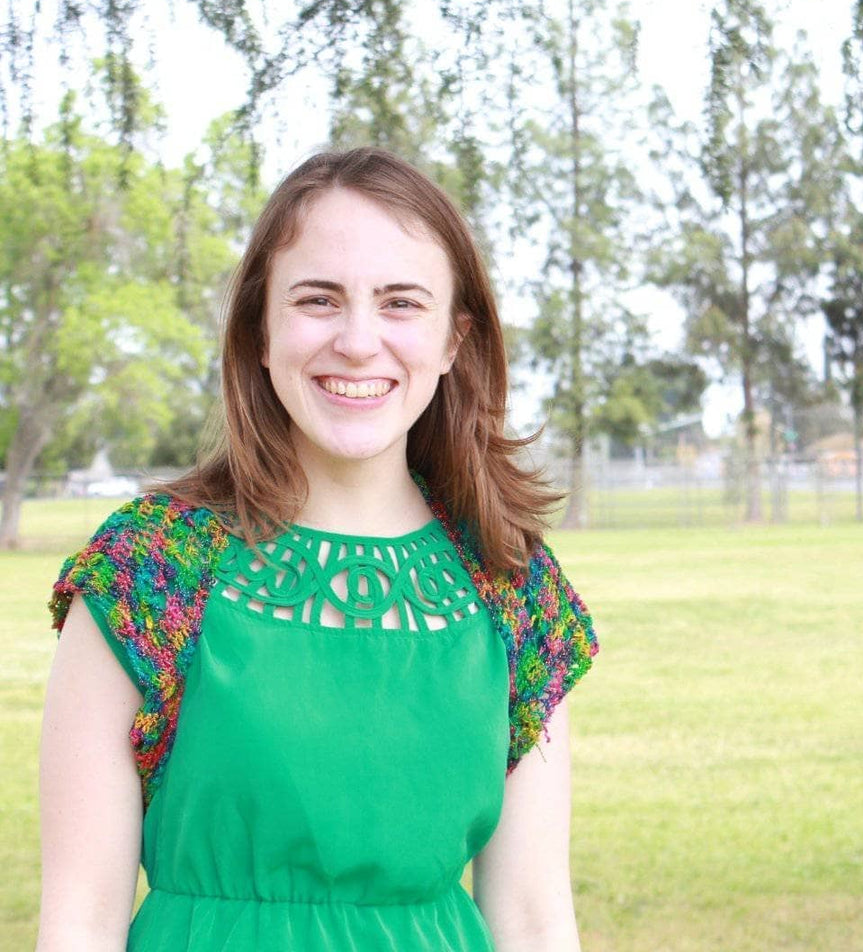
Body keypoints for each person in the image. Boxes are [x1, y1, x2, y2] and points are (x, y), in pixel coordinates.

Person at [36, 147, 598, 952]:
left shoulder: (513, 583)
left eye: (401, 302)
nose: (359, 341)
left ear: (452, 340)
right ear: (261, 331)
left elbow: (536, 918)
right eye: (318, 299)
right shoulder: (148, 571)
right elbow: (77, 923)